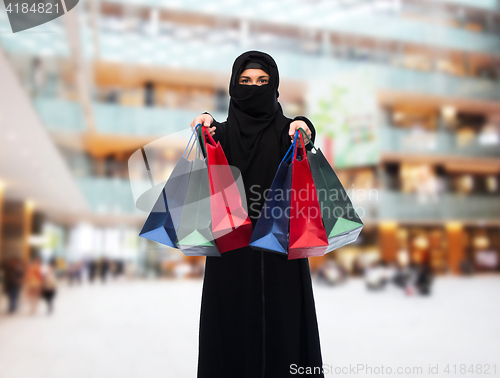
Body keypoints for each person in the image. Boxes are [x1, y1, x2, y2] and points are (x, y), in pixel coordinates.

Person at [190, 51, 323, 378]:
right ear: (234, 86)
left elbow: (302, 133)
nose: (254, 87)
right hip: (232, 251)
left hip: (279, 249)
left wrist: (305, 127)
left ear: (274, 85)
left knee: (284, 325)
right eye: (246, 81)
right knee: (230, 328)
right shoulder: (221, 135)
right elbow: (206, 139)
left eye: (262, 81)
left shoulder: (285, 131)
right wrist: (204, 122)